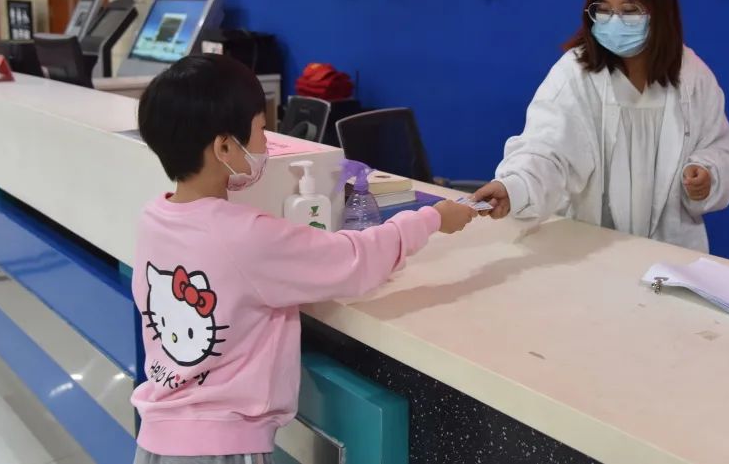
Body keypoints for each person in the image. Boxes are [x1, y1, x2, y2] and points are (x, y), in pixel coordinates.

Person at [131, 54, 476, 464]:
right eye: (261, 130)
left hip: (156, 442)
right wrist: (432, 218)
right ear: (224, 147)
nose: (266, 143)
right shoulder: (245, 236)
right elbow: (355, 260)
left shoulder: (154, 217)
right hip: (221, 449)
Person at [474, 0, 729, 252]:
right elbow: (546, 150)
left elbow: (719, 149)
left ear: (661, 11)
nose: (615, 22)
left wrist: (707, 174)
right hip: (591, 252)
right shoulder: (574, 75)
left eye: (630, 11)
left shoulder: (693, 78)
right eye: (603, 9)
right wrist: (514, 186)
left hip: (670, 254)